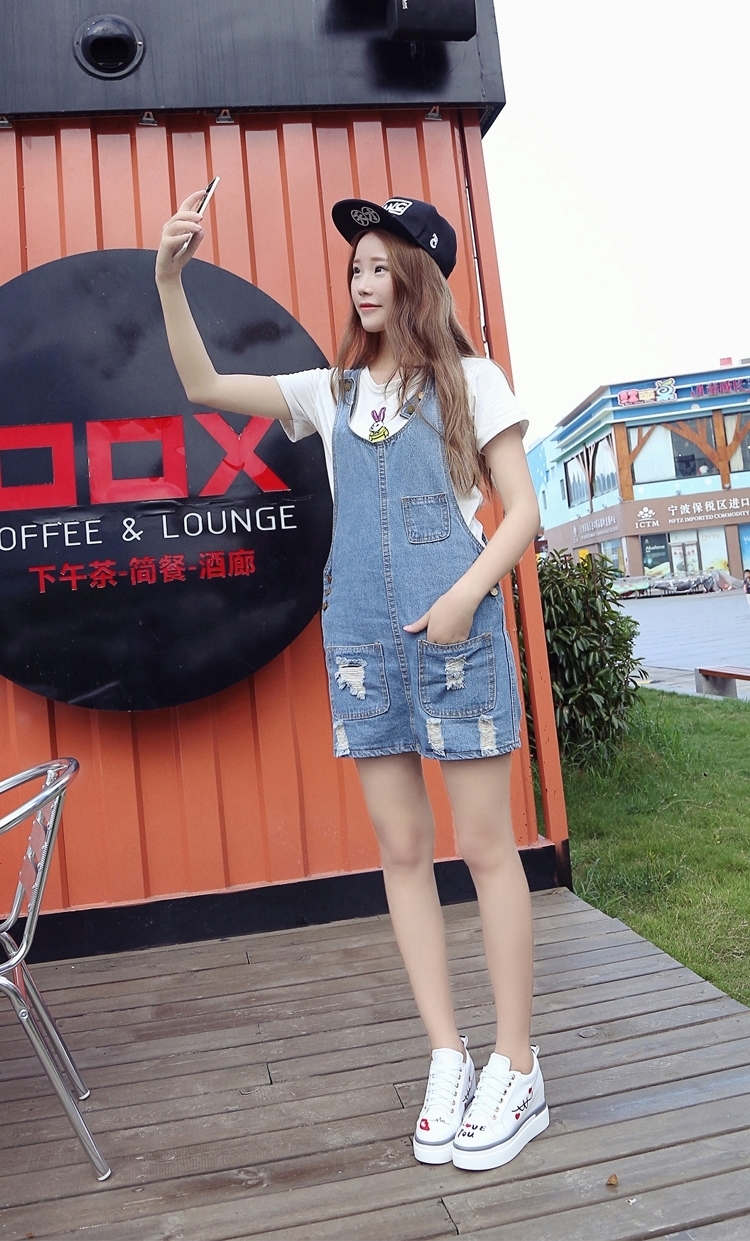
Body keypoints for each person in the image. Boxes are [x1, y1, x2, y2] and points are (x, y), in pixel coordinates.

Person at [155, 192, 548, 1172]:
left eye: (379, 266)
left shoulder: (471, 380)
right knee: (403, 850)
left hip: (456, 636)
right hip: (365, 645)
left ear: (417, 276)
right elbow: (203, 383)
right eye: (357, 269)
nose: (363, 283)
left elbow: (521, 511)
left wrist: (463, 595)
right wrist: (169, 278)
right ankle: (448, 1054)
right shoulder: (331, 391)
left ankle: (517, 1063)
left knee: (486, 848)